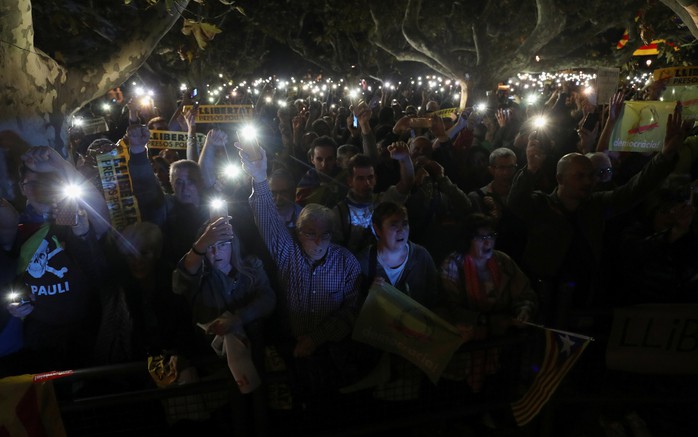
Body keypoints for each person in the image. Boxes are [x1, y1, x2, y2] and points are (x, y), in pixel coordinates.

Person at [508, 104, 691, 328]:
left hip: (584, 298)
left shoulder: (595, 205)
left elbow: (634, 190)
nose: (588, 181)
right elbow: (515, 203)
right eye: (580, 176)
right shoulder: (541, 204)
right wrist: (530, 169)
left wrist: (665, 155)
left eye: (591, 176)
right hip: (542, 298)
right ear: (560, 178)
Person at [239, 143, 362, 396]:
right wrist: (260, 177)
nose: (317, 241)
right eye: (309, 233)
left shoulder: (347, 262)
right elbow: (268, 220)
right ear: (297, 231)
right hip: (290, 349)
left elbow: (351, 312)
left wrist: (316, 338)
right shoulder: (288, 252)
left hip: (331, 354)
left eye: (323, 234)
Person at [173, 216, 276, 436]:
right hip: (215, 359)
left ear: (233, 244)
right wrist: (202, 243)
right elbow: (182, 277)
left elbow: (268, 299)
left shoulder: (251, 266)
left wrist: (238, 319)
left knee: (259, 406)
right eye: (209, 247)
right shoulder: (202, 278)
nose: (215, 252)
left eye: (221, 245)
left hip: (256, 350)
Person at [439, 213, 537, 392]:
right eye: (481, 237)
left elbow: (524, 293)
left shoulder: (503, 262)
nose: (488, 242)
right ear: (469, 239)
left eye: (491, 236)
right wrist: (487, 321)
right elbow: (450, 307)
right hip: (464, 354)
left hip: (500, 352)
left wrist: (523, 311)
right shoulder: (453, 264)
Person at [332, 144, 414, 253]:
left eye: (370, 178)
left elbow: (406, 184)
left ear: (375, 179)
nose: (367, 183)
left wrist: (404, 159)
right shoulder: (339, 213)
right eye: (360, 179)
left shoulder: (383, 201)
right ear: (350, 181)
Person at [357, 201, 438, 307]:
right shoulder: (363, 262)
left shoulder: (421, 257)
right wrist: (369, 295)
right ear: (377, 229)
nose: (401, 230)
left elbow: (436, 300)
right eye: (393, 225)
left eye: (404, 223)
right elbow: (353, 306)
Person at [295, 136, 347, 208]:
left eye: (329, 159)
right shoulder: (306, 184)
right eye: (319, 159)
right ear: (312, 159)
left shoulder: (345, 178)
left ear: (335, 159)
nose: (324, 164)